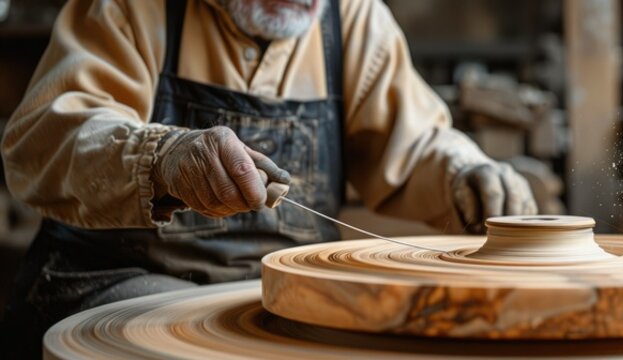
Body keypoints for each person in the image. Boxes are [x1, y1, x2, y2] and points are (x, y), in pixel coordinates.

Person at [0, 0, 536, 355]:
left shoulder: (350, 16)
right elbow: (42, 139)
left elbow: (414, 144)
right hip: (111, 279)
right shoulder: (133, 6)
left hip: (280, 295)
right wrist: (160, 155)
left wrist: (466, 173)